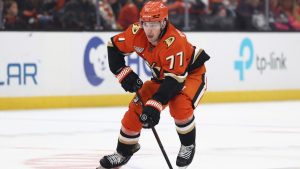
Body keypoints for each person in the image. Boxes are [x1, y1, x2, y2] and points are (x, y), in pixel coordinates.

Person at [97, 0, 210, 168]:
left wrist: (155, 104)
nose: (148, 30)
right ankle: (123, 152)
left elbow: (175, 81)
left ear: (163, 22)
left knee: (179, 105)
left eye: (154, 24)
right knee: (136, 109)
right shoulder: (137, 32)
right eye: (146, 24)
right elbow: (113, 46)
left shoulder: (175, 41)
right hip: (163, 77)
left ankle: (187, 145)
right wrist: (123, 73)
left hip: (190, 75)